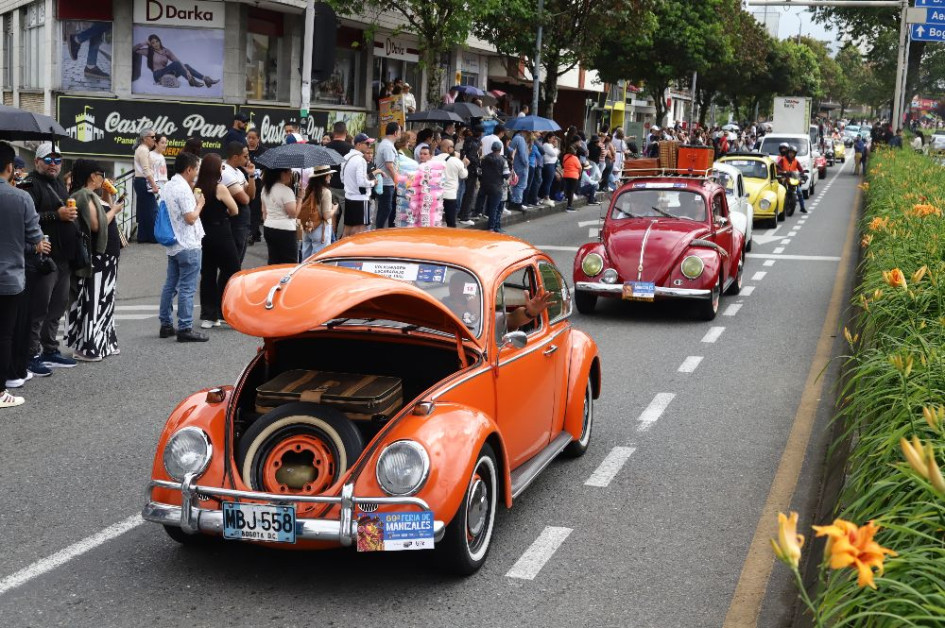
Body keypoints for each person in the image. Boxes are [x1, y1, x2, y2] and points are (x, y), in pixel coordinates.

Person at [19, 143, 78, 374]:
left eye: (57, 160)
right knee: (38, 309)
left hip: (63, 257)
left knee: (57, 307)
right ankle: (31, 353)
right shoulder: (30, 184)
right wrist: (57, 215)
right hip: (42, 258)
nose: (53, 164)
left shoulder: (59, 184)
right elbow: (27, 217)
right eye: (48, 159)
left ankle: (50, 348)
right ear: (37, 162)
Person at [0, 142, 48, 406]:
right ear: (10, 168)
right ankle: (1, 391)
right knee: (4, 334)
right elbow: (36, 237)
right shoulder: (20, 198)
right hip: (9, 277)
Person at [64, 160, 124, 361]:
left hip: (107, 255)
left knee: (105, 300)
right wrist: (115, 211)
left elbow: (104, 211)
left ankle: (105, 343)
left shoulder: (94, 196)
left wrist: (109, 197)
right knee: (94, 300)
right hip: (97, 256)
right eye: (101, 174)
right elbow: (97, 225)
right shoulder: (83, 195)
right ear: (92, 175)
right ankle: (90, 347)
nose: (103, 178)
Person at [158, 152, 207, 342]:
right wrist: (200, 204)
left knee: (170, 284)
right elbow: (190, 218)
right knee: (187, 287)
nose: (196, 173)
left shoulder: (168, 186)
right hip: (188, 243)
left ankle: (166, 324)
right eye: (196, 169)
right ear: (189, 169)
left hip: (174, 244)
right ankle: (185, 327)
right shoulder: (183, 189)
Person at [195, 153, 241, 330]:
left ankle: (209, 315)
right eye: (221, 166)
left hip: (204, 233)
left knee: (208, 273)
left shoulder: (197, 187)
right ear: (215, 169)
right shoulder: (219, 188)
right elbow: (235, 209)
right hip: (221, 231)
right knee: (233, 271)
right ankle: (227, 311)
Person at [133, 33, 218, 88]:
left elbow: (177, 60)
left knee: (185, 65)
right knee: (176, 64)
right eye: (153, 43)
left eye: (157, 41)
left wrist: (186, 71)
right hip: (158, 76)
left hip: (167, 74)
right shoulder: (149, 51)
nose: (156, 44)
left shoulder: (166, 51)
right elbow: (133, 49)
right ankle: (192, 81)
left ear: (159, 41)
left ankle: (205, 79)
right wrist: (144, 43)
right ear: (150, 44)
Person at [221, 142, 256, 264]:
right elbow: (245, 199)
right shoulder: (226, 172)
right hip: (235, 222)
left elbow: (251, 195)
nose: (248, 159)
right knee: (233, 261)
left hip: (243, 222)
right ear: (235, 157)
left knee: (239, 258)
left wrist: (251, 175)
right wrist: (245, 191)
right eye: (245, 156)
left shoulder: (239, 172)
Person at [260, 168, 299, 264]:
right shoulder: (286, 191)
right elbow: (293, 214)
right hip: (285, 230)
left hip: (269, 227)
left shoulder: (265, 189)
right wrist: (301, 198)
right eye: (289, 171)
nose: (291, 174)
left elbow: (264, 211)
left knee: (274, 260)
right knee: (289, 262)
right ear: (281, 173)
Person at [342, 133, 377, 237]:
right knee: (359, 231)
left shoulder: (346, 157)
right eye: (366, 143)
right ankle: (353, 252)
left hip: (349, 197)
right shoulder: (360, 160)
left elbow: (342, 178)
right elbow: (362, 182)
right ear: (358, 144)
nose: (368, 146)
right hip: (360, 198)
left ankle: (342, 251)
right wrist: (372, 182)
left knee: (347, 230)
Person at [297, 165, 335, 258]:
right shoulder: (326, 192)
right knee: (319, 259)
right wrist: (334, 209)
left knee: (306, 257)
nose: (330, 177)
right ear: (325, 176)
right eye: (330, 175)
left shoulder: (308, 189)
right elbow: (326, 215)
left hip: (308, 226)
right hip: (320, 228)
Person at [325, 121, 353, 236]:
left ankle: (330, 237)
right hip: (344, 186)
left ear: (333, 133)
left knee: (332, 213)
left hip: (329, 185)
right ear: (345, 133)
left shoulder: (326, 147)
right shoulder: (350, 149)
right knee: (345, 215)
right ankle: (339, 238)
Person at [433, 138, 469, 227]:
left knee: (435, 220)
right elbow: (464, 176)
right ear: (448, 148)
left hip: (436, 194)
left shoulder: (433, 159)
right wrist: (465, 165)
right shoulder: (456, 161)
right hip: (450, 195)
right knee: (451, 222)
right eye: (452, 147)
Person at [133, 129, 159, 242]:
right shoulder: (143, 150)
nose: (154, 139)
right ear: (145, 138)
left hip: (141, 181)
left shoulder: (142, 149)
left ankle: (143, 236)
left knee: (144, 209)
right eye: (152, 137)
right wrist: (154, 185)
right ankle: (151, 236)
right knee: (151, 209)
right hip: (143, 181)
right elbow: (146, 170)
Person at [374, 123, 400, 229]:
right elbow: (389, 166)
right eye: (400, 131)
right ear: (395, 133)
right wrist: (396, 180)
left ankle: (379, 230)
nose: (400, 134)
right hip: (386, 183)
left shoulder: (386, 144)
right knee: (386, 209)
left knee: (384, 208)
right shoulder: (388, 146)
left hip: (386, 183)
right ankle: (379, 231)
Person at [458, 125, 483, 225]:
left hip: (467, 168)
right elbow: (472, 156)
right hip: (472, 169)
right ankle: (465, 216)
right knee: (469, 193)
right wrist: (479, 161)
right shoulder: (474, 143)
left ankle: (462, 214)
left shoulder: (468, 140)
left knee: (467, 192)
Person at [480, 141, 507, 233]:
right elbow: (506, 175)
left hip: (484, 185)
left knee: (484, 204)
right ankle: (491, 227)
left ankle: (479, 215)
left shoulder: (484, 159)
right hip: (497, 187)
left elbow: (480, 171)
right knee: (494, 208)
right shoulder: (503, 160)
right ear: (500, 150)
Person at [246, 128, 267, 243]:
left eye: (253, 138)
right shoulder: (244, 151)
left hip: (259, 185)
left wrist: (260, 172)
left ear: (258, 138)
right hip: (246, 184)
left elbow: (267, 168)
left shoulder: (264, 151)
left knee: (255, 210)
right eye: (249, 138)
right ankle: (256, 233)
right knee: (247, 208)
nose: (251, 140)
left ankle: (251, 234)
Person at [776, 145, 807, 213]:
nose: (791, 154)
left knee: (799, 192)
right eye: (790, 152)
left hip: (793, 178)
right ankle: (778, 206)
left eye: (793, 153)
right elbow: (777, 168)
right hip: (784, 178)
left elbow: (800, 169)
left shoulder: (796, 161)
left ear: (795, 154)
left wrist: (802, 173)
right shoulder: (783, 159)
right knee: (780, 191)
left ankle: (802, 207)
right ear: (788, 152)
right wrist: (781, 172)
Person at [508, 131, 530, 211]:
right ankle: (518, 202)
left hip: (516, 164)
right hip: (521, 165)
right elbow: (522, 154)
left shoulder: (515, 138)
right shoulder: (520, 139)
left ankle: (513, 201)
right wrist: (526, 163)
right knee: (521, 185)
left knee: (515, 184)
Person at [539, 134, 559, 206]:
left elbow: (556, 155)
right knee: (548, 182)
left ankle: (546, 196)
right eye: (553, 138)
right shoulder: (546, 145)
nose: (554, 140)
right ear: (548, 138)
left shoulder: (550, 146)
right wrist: (556, 148)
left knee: (549, 182)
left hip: (552, 164)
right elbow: (554, 154)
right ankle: (546, 197)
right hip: (548, 164)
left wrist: (555, 149)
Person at [562, 147, 582, 212]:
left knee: (567, 190)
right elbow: (579, 167)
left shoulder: (565, 156)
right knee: (571, 191)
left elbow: (563, 164)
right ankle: (569, 206)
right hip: (573, 176)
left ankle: (566, 201)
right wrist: (579, 174)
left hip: (565, 175)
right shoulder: (575, 158)